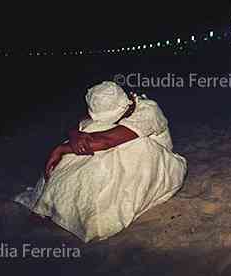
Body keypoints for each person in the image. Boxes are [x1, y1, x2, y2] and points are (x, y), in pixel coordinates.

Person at [14, 81, 187, 242]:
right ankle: (55, 204)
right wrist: (73, 135)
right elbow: (81, 124)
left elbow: (106, 141)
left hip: (158, 165)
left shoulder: (148, 111)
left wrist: (61, 149)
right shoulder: (116, 104)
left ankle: (90, 212)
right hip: (117, 150)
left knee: (136, 145)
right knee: (89, 135)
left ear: (124, 104)